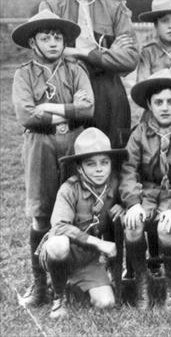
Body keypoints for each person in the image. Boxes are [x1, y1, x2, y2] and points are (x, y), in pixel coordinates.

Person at [12, 10, 94, 308]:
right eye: (45, 38)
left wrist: (47, 105)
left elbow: (88, 108)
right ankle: (40, 286)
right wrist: (64, 108)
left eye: (57, 37)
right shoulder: (24, 74)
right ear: (33, 42)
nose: (53, 43)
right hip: (40, 143)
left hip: (74, 141)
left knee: (79, 206)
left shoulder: (75, 69)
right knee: (42, 210)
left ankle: (77, 276)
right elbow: (25, 113)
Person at [40, 0, 139, 147]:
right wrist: (109, 54)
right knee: (70, 156)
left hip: (108, 89)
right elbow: (46, 56)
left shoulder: (115, 5)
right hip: (67, 89)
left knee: (111, 153)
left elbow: (131, 59)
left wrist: (83, 52)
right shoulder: (52, 4)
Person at [121, 70, 171, 309]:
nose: (165, 108)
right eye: (158, 102)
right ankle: (143, 282)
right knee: (133, 227)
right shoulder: (139, 134)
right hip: (146, 195)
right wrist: (133, 202)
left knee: (167, 230)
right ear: (149, 104)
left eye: (170, 102)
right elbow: (128, 171)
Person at [38, 128, 126, 318]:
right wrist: (99, 243)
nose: (99, 169)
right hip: (63, 252)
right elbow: (59, 226)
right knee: (58, 244)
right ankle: (58, 299)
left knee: (106, 303)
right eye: (90, 164)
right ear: (79, 167)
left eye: (104, 162)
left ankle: (66, 282)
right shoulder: (69, 188)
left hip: (88, 259)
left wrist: (123, 207)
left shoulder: (115, 184)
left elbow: (133, 197)